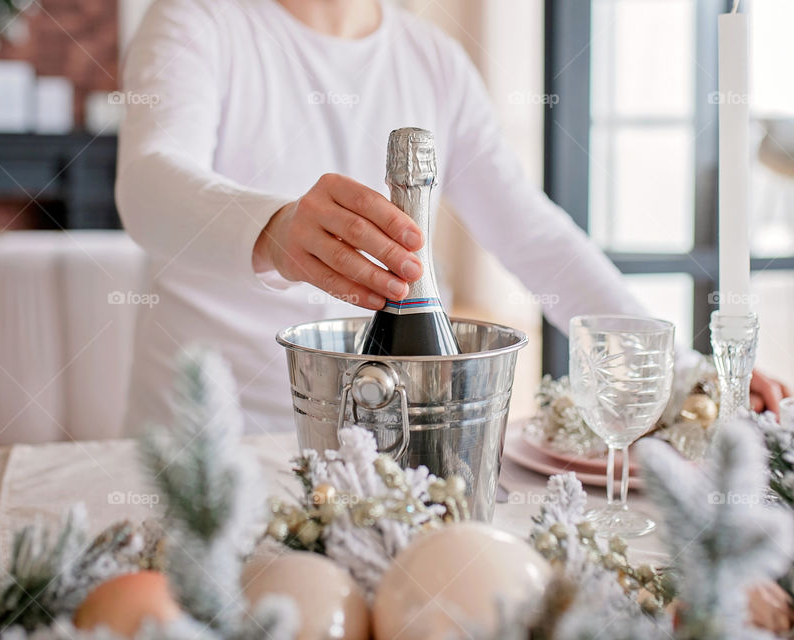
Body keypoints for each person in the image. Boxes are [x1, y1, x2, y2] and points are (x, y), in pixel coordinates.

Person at [116, 0, 788, 434]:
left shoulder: (432, 59)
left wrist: (678, 368)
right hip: (210, 448)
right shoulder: (195, 19)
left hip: (390, 452)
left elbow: (535, 235)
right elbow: (148, 182)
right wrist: (274, 228)